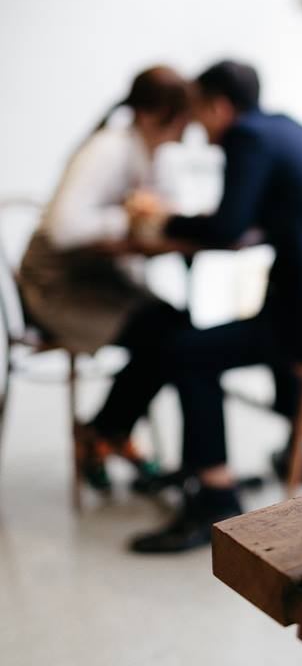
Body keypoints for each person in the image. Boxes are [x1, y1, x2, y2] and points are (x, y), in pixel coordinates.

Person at [88, 59, 302, 553]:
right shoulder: (284, 129)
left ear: (219, 106)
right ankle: (274, 452)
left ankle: (214, 494)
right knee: (216, 333)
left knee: (185, 349)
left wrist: (164, 222)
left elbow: (228, 228)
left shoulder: (246, 137)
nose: (197, 130)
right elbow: (248, 217)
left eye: (198, 114)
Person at [19, 65, 192, 490]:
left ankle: (104, 432)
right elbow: (64, 226)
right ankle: (107, 433)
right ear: (155, 115)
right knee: (166, 333)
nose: (189, 130)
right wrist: (128, 217)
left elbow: (171, 203)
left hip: (100, 278)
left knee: (177, 327)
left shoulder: (154, 152)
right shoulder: (109, 149)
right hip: (57, 287)